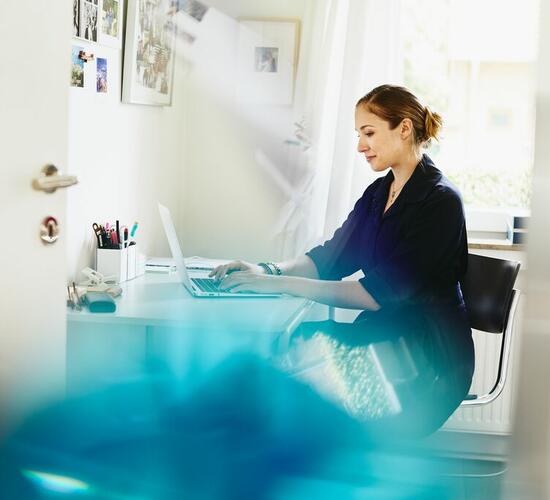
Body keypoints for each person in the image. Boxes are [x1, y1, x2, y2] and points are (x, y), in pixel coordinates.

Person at [210, 84, 474, 438]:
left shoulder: (441, 202)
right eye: (359, 134)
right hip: (385, 335)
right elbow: (329, 258)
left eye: (369, 133)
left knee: (300, 387)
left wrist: (278, 285)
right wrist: (266, 269)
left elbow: (375, 294)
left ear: (405, 129)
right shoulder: (379, 192)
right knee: (293, 349)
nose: (360, 146)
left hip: (427, 359)